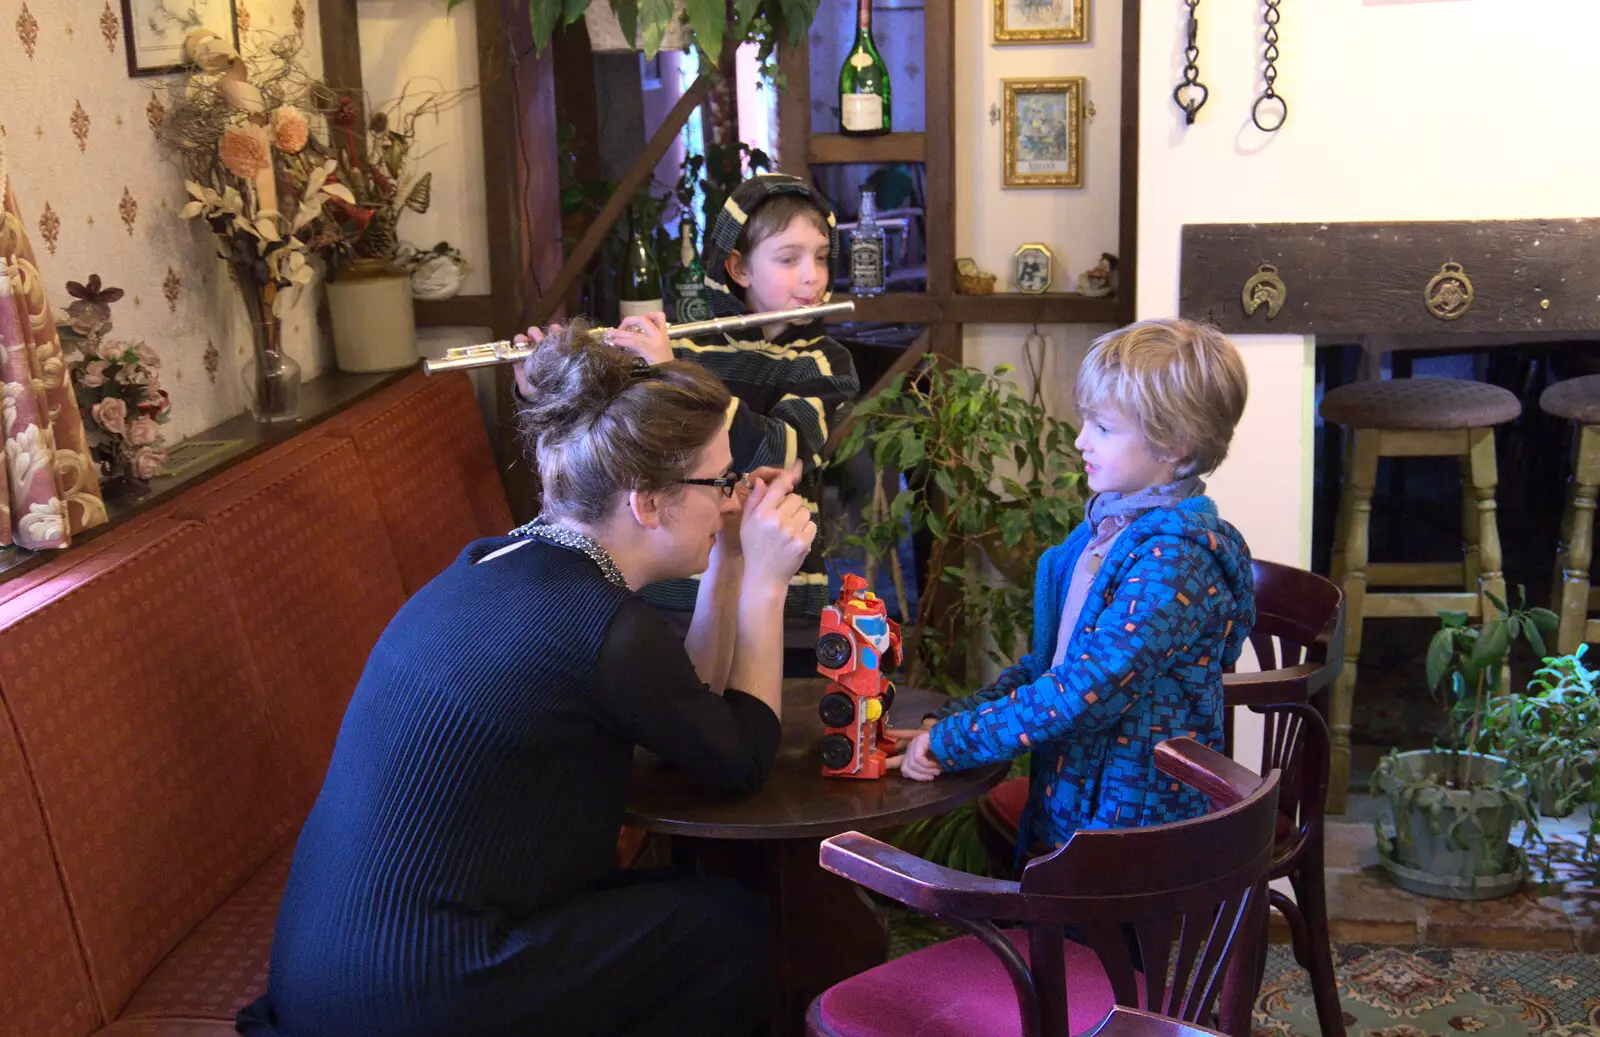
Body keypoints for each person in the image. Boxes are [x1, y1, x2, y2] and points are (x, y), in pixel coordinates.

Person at [237, 322, 816, 1037]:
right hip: (414, 988)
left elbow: (685, 714)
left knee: (682, 901)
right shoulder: (604, 627)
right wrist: (764, 585)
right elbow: (742, 759)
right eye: (718, 481)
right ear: (646, 500)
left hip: (330, 975)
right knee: (729, 927)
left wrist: (728, 561)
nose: (733, 498)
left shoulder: (498, 559)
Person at [890, 318, 1256, 861]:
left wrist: (954, 741)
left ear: (1174, 445)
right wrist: (956, 718)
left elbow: (1084, 691)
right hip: (1079, 802)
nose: (1081, 440)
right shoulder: (1106, 532)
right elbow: (1051, 667)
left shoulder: (1174, 560)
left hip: (1132, 830)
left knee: (1107, 949)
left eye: (1103, 428)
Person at [607, 173, 860, 637]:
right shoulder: (686, 350)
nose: (812, 276)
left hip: (778, 591)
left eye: (822, 258)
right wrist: (537, 384)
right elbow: (624, 440)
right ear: (739, 269)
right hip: (672, 587)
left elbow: (780, 455)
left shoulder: (825, 361)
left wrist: (675, 376)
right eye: (789, 259)